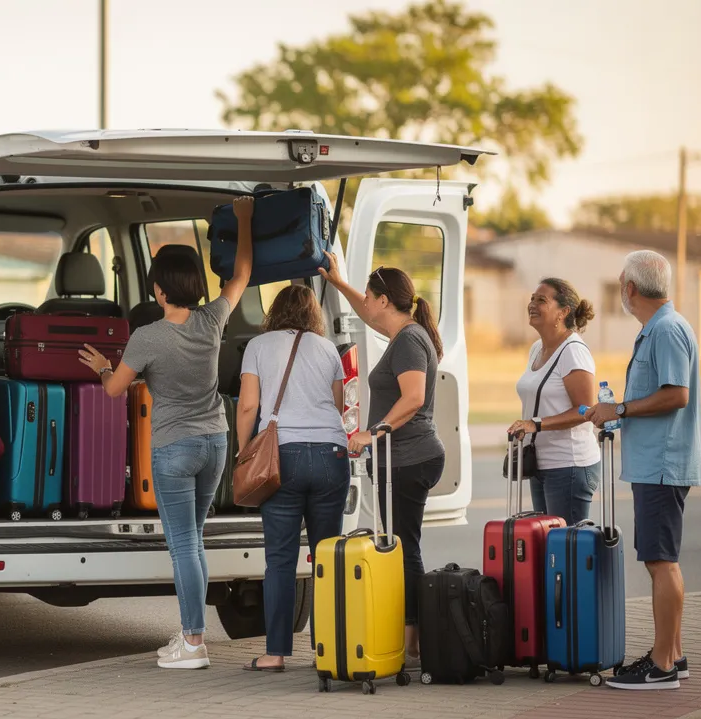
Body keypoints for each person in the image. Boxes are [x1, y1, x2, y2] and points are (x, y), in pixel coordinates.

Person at [78, 197, 254, 670]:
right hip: (215, 443)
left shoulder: (148, 337)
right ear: (194, 285)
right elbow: (242, 273)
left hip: (174, 448)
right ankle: (191, 634)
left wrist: (104, 367)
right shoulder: (212, 319)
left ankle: (193, 643)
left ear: (158, 290)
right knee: (194, 539)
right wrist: (244, 219)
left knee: (183, 546)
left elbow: (115, 389)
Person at [585, 250, 701, 691]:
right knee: (662, 560)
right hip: (655, 463)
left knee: (660, 562)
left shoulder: (666, 330)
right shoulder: (659, 328)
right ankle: (672, 654)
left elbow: (676, 395)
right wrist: (618, 413)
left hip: (662, 464)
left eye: (621, 284)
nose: (621, 291)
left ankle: (662, 666)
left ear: (631, 288)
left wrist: (620, 409)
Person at [318, 256, 444, 667]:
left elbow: (414, 397)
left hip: (409, 458)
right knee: (400, 545)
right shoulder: (403, 332)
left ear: (385, 300)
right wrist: (339, 283)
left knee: (403, 548)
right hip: (404, 457)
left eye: (370, 296)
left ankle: (412, 643)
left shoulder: (409, 341)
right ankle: (411, 638)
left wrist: (373, 433)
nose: (366, 304)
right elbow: (368, 313)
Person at [236, 284, 350, 673]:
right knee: (327, 556)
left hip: (281, 456)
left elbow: (248, 404)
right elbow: (337, 406)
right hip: (332, 455)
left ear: (275, 311)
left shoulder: (258, 346)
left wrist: (244, 451)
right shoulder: (329, 349)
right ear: (313, 314)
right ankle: (327, 649)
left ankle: (276, 653)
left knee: (281, 559)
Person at [506, 279, 601, 525]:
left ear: (563, 312)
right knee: (547, 542)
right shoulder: (537, 348)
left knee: (565, 543)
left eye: (541, 300)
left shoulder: (573, 351)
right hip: (540, 463)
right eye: (532, 299)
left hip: (569, 465)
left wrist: (535, 424)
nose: (532, 305)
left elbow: (585, 410)